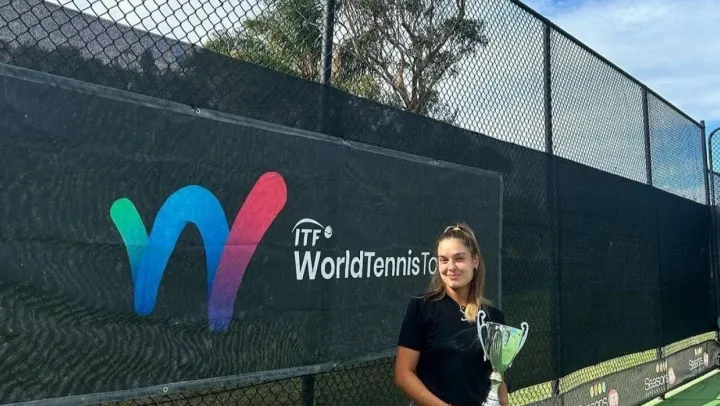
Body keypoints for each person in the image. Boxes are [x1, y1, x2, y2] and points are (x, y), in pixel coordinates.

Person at [394, 222, 508, 406]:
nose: (451, 267)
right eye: (444, 260)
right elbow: (403, 374)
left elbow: (498, 378)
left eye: (459, 258)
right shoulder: (422, 307)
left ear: (475, 261)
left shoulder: (494, 317)